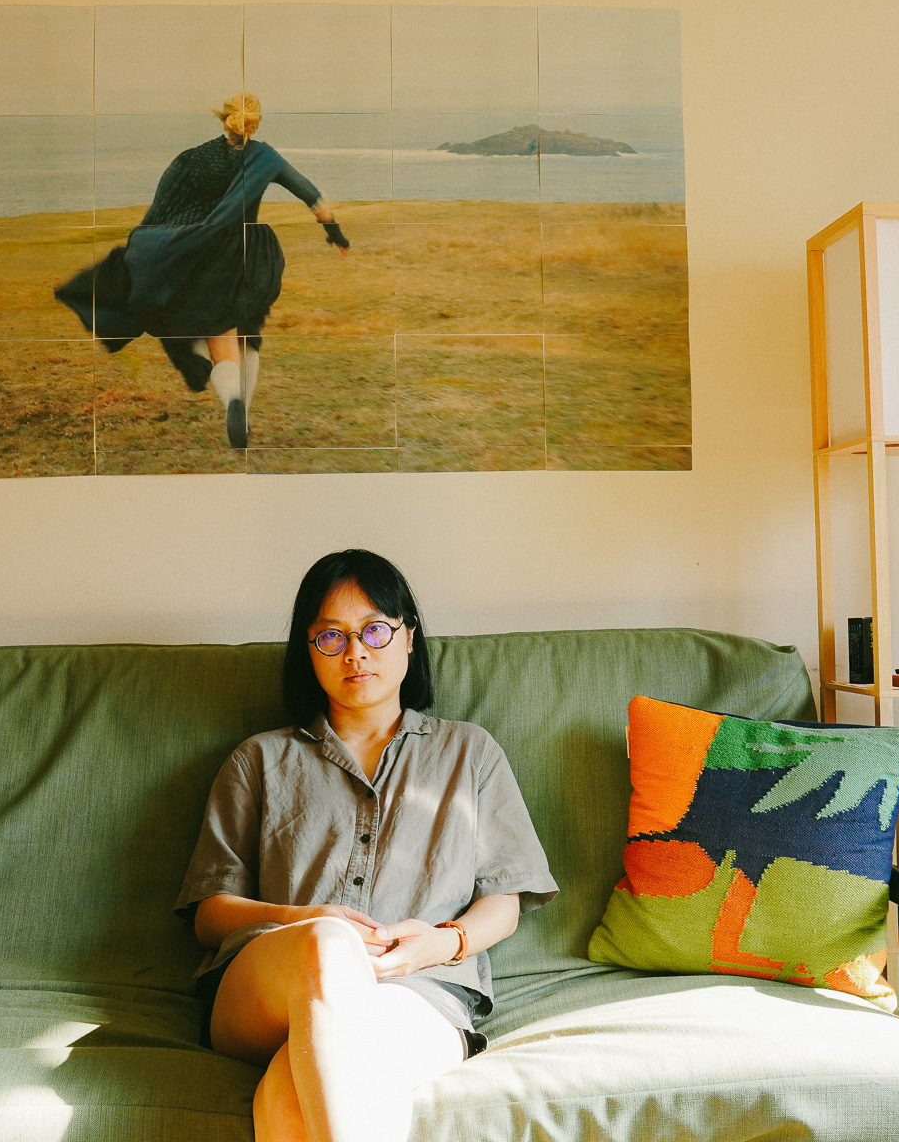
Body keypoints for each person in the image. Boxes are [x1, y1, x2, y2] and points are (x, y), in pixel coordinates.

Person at [176, 550, 556, 1142]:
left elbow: (503, 903)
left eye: (375, 630)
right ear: (308, 651)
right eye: (331, 636)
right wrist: (305, 920)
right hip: (269, 985)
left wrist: (441, 943)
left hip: (421, 992)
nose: (356, 652)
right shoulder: (258, 760)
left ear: (409, 640)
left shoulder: (469, 753)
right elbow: (209, 916)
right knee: (327, 945)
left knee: (291, 1090)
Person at [55, 93, 348, 450]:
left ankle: (234, 404)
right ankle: (242, 414)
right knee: (246, 334)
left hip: (198, 256)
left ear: (224, 118)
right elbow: (310, 195)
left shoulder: (193, 159)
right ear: (255, 122)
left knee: (214, 337)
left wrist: (149, 247)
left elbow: (163, 209)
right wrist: (335, 233)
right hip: (247, 256)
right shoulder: (264, 155)